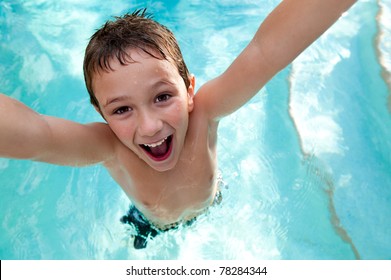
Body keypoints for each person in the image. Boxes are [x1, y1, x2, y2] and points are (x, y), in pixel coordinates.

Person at [0, 0, 356, 249]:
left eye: (162, 97)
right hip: (150, 224)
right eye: (122, 110)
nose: (151, 126)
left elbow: (265, 53)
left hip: (212, 202)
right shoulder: (108, 148)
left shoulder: (204, 113)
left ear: (189, 90)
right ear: (101, 115)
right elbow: (38, 135)